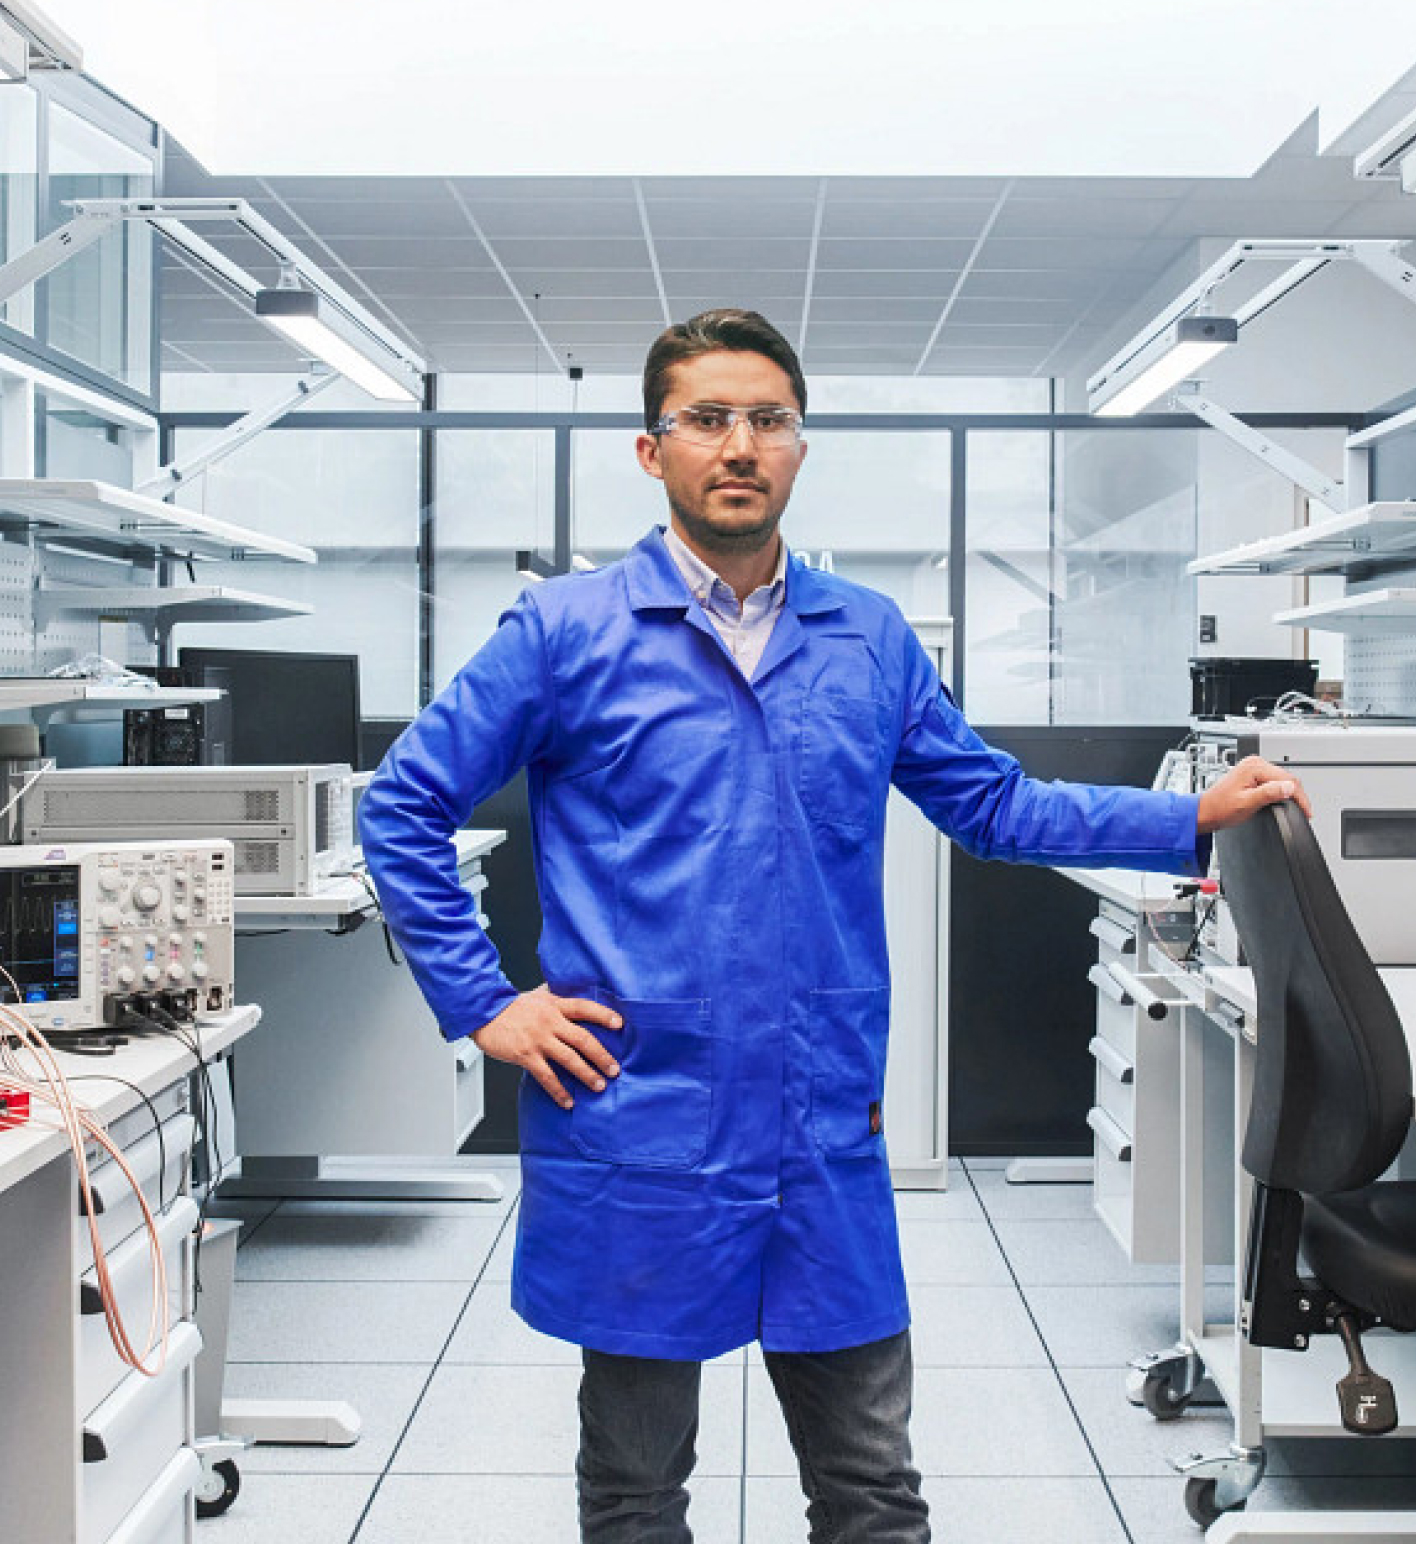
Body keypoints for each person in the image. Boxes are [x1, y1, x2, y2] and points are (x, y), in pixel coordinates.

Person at [358, 308, 1311, 1544]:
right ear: (654, 451)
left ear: (800, 446)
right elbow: (403, 807)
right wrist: (485, 1002)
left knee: (870, 1484)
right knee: (637, 1486)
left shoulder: (866, 637)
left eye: (767, 419)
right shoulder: (564, 635)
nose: (739, 443)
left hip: (818, 1108)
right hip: (636, 1104)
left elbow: (991, 801)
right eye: (706, 418)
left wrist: (1186, 820)